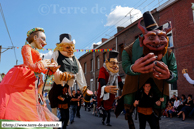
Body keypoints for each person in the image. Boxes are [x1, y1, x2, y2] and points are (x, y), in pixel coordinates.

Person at [115, 11, 178, 129]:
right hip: (135, 82)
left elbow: (175, 75)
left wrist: (169, 76)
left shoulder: (169, 54)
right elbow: (125, 67)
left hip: (157, 85)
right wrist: (132, 68)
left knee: (158, 108)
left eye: (161, 37)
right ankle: (130, 120)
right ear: (141, 40)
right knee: (129, 100)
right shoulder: (128, 50)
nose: (157, 42)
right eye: (151, 37)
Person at [0, 28, 59, 121]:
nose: (45, 42)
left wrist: (51, 70)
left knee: (34, 105)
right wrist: (42, 64)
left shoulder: (36, 51)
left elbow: (42, 70)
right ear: (35, 37)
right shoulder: (26, 48)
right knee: (23, 103)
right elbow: (31, 65)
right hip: (25, 77)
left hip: (35, 81)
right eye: (43, 39)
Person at [49, 33, 92, 116]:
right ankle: (53, 122)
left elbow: (80, 73)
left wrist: (84, 88)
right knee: (54, 100)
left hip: (68, 86)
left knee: (67, 103)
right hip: (59, 83)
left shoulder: (74, 58)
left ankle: (65, 120)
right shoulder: (57, 53)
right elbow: (53, 65)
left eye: (72, 47)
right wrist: (60, 74)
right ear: (61, 47)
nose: (71, 50)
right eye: (67, 47)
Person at [97, 50, 123, 126]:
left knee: (108, 110)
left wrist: (124, 90)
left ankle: (107, 121)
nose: (115, 65)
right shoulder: (103, 69)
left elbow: (120, 82)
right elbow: (102, 80)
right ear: (107, 63)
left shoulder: (116, 73)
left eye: (116, 63)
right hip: (104, 92)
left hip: (111, 93)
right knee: (105, 111)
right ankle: (103, 119)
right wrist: (105, 88)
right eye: (113, 63)